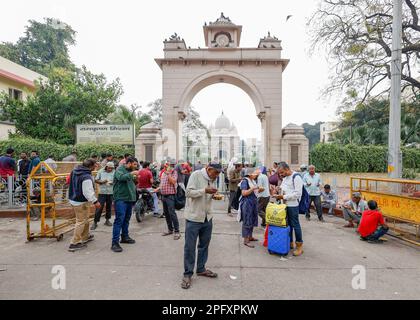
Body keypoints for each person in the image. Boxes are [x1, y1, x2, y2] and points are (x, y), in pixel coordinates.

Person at [181, 161, 222, 290]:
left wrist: (213, 195)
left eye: (218, 174)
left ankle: (201, 268)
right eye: (215, 173)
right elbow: (188, 193)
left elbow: (208, 194)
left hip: (207, 217)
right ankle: (188, 274)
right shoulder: (196, 175)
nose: (216, 176)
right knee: (190, 247)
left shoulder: (212, 178)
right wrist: (204, 190)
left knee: (204, 245)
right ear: (209, 169)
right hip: (194, 218)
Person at [68, 159, 101, 252]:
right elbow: (87, 192)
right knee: (81, 221)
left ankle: (85, 237)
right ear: (91, 166)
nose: (96, 167)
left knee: (85, 219)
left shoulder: (75, 171)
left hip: (75, 198)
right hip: (80, 201)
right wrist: (95, 201)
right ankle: (74, 243)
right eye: (95, 165)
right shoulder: (86, 176)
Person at [275, 161, 304, 256]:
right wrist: (277, 190)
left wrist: (283, 197)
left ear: (287, 169)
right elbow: (283, 188)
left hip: (293, 206)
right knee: (288, 225)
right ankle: (290, 242)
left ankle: (299, 246)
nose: (281, 175)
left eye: (282, 172)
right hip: (285, 205)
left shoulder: (296, 177)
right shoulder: (286, 177)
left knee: (295, 225)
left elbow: (297, 194)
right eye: (280, 173)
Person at [111, 157, 139, 252]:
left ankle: (125, 237)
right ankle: (114, 243)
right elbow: (121, 178)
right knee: (119, 220)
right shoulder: (120, 169)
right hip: (121, 199)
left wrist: (136, 177)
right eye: (134, 164)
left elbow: (133, 182)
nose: (136, 166)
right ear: (129, 163)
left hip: (129, 199)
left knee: (126, 219)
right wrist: (132, 174)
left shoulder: (131, 171)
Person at [239, 167, 263, 248]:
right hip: (247, 203)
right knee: (247, 220)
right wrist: (253, 188)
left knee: (252, 219)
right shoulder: (245, 181)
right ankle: (246, 240)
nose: (256, 176)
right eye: (255, 174)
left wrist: (259, 190)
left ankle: (250, 236)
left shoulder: (252, 181)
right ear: (250, 174)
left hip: (253, 202)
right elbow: (244, 193)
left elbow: (254, 191)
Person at [91, 162, 115, 230]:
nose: (110, 169)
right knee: (99, 207)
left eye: (111, 168)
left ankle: (107, 220)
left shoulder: (114, 172)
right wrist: (102, 182)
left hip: (110, 192)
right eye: (109, 168)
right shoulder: (101, 171)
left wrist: (113, 182)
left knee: (109, 207)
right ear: (106, 166)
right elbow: (96, 180)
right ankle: (95, 222)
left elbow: (116, 180)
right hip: (102, 192)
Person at [160, 159, 180, 239]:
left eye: (172, 165)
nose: (171, 166)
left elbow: (173, 182)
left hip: (170, 196)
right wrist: (157, 189)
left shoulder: (174, 172)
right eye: (169, 165)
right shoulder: (163, 173)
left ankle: (177, 231)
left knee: (172, 213)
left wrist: (168, 174)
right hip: (163, 196)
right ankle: (170, 229)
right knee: (166, 213)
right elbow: (162, 183)